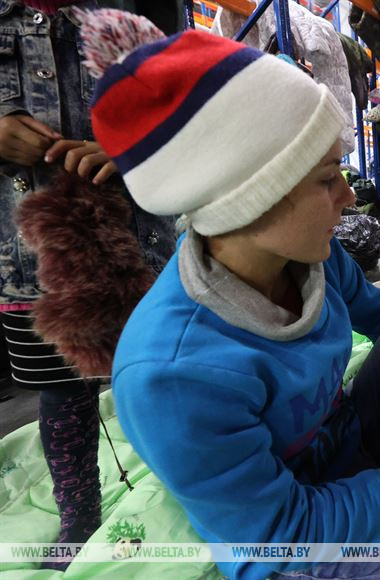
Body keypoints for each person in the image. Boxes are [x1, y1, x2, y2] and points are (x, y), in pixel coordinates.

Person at [80, 11, 380, 579]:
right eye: (328, 177)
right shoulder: (173, 372)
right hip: (300, 534)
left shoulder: (312, 255)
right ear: (252, 198)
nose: (349, 199)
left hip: (346, 446)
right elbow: (283, 535)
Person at [0, 1, 175, 567]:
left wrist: (132, 149)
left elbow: (183, 112)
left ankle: (187, 480)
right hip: (30, 262)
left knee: (166, 373)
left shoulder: (127, 23)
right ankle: (78, 514)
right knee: (61, 394)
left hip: (138, 246)